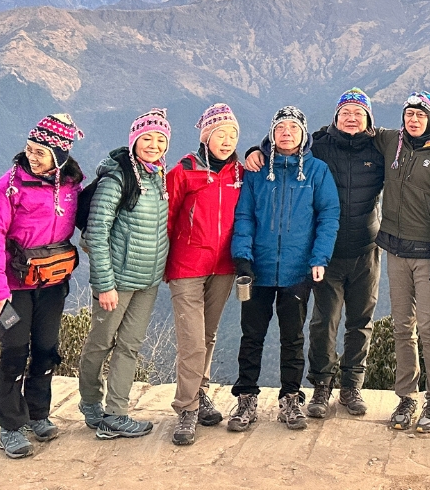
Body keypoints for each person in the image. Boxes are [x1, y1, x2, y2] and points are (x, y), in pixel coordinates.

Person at [227, 106, 340, 432]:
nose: (286, 133)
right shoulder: (256, 171)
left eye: (293, 128)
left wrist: (319, 259)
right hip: (258, 269)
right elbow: (244, 216)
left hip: (297, 270)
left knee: (293, 338)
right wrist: (242, 258)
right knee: (252, 337)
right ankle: (246, 398)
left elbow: (328, 216)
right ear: (271, 133)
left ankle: (291, 399)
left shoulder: (317, 172)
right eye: (280, 128)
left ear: (303, 135)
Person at [0, 113, 85, 459]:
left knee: (46, 348)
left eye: (41, 151)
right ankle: (10, 427)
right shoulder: (9, 186)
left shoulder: (72, 186)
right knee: (14, 351)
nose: (32, 156)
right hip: (14, 285)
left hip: (54, 282)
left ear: (60, 154)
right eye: (29, 149)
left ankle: (38, 413)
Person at [78, 109, 172, 440]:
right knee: (101, 342)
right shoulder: (117, 178)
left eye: (161, 139)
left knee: (129, 346)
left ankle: (115, 414)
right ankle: (90, 403)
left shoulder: (158, 176)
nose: (154, 144)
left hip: (147, 281)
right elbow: (97, 231)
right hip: (116, 281)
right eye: (147, 138)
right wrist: (105, 284)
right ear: (133, 140)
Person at [374, 92, 430, 434]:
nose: (413, 120)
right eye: (409, 114)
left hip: (428, 255)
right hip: (395, 251)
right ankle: (406, 396)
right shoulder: (391, 143)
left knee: (428, 326)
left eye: (420, 115)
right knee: (401, 326)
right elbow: (352, 130)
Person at [163, 102, 243, 446]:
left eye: (232, 135)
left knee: (207, 336)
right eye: (219, 134)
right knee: (192, 341)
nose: (226, 141)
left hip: (224, 267)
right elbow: (165, 218)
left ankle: (201, 391)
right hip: (187, 267)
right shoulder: (184, 171)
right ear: (205, 136)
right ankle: (187, 407)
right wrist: (160, 263)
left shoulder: (241, 172)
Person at [305, 89, 387, 418]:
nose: (351, 117)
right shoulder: (319, 145)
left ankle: (351, 386)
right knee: (324, 321)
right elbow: (283, 147)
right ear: (335, 118)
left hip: (367, 250)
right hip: (329, 251)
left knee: (361, 321)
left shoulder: (379, 148)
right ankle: (321, 386)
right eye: (345, 112)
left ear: (368, 119)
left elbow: (416, 147)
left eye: (358, 112)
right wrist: (257, 152)